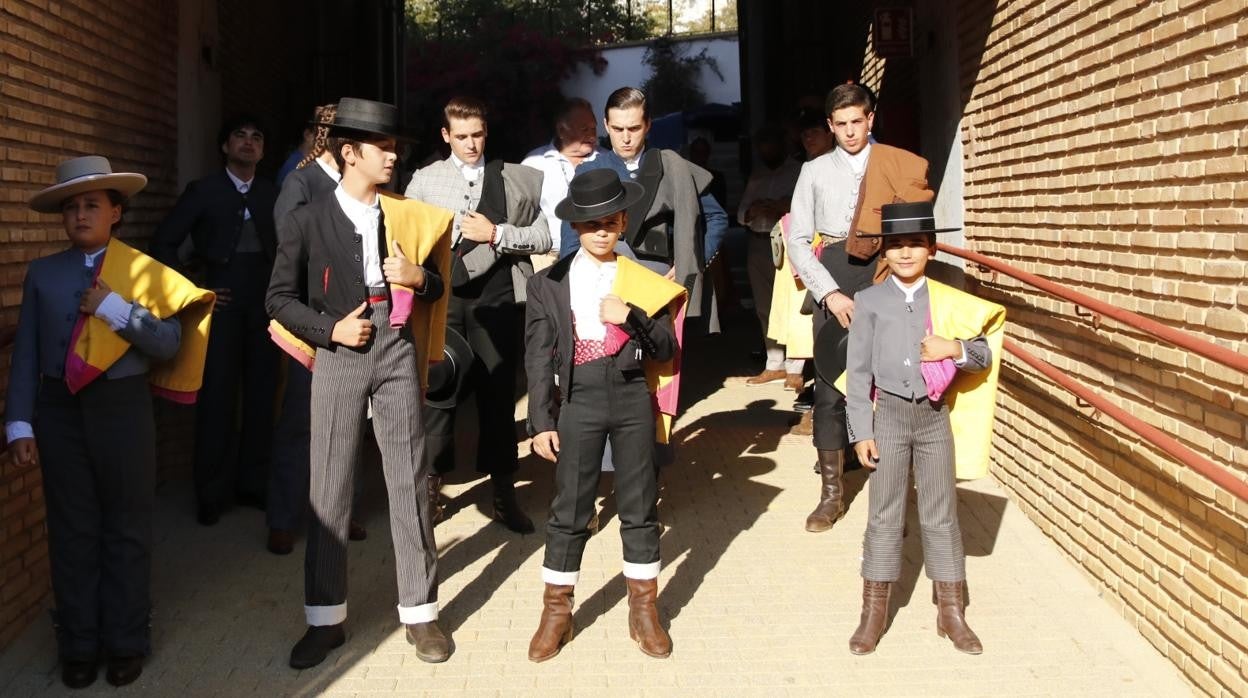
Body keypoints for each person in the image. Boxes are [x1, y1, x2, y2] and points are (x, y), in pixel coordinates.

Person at [8, 156, 214, 688]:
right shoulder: (43, 273)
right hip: (59, 411)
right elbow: (26, 353)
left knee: (126, 526)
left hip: (122, 407)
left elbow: (169, 343)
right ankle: (78, 642)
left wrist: (114, 308)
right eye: (71, 206)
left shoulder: (141, 271)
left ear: (115, 212)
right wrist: (19, 425)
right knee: (73, 529)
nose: (80, 215)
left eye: (92, 205)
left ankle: (126, 639)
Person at [266, 97, 455, 667]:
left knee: (409, 478)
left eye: (395, 146)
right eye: (384, 147)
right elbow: (276, 300)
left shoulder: (404, 214)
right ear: (350, 153)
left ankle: (421, 615)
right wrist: (328, 331)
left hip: (396, 347)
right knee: (328, 485)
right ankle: (325, 621)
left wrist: (420, 277)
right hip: (340, 350)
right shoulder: (305, 217)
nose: (393, 155)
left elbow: (439, 288)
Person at [525, 169, 682, 662]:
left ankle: (644, 612)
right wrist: (540, 421)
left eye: (609, 223)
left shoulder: (639, 278)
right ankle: (557, 614)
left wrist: (630, 316)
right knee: (569, 507)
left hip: (633, 394)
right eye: (590, 223)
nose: (600, 232)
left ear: (623, 222)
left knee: (639, 506)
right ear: (574, 226)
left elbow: (666, 349)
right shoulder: (547, 282)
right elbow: (537, 355)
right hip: (580, 398)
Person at [842, 201, 1005, 655]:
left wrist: (953, 347)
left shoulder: (950, 298)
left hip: (934, 420)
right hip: (890, 416)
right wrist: (861, 430)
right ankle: (873, 610)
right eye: (896, 245)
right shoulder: (870, 301)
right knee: (883, 513)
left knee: (941, 514)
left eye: (916, 244)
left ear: (932, 249)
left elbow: (983, 355)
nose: (906, 253)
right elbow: (857, 375)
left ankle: (950, 611)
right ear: (885, 253)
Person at [787, 83, 934, 533]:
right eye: (841, 124)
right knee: (833, 386)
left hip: (888, 270)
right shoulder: (813, 171)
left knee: (897, 382)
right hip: (835, 271)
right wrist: (829, 293)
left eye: (858, 122)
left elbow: (916, 229)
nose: (850, 131)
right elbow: (797, 239)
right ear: (830, 127)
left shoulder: (897, 162)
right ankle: (832, 493)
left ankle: (893, 497)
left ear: (871, 119)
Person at [403, 96, 550, 533]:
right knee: (438, 395)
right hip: (442, 298)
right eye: (461, 136)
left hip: (498, 295)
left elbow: (544, 236)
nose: (471, 144)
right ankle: (430, 495)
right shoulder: (424, 181)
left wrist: (497, 233)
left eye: (478, 135)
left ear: (487, 132)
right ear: (445, 135)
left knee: (498, 396)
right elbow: (403, 240)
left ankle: (504, 495)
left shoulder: (516, 179)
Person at [150, 113, 280, 527]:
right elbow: (164, 243)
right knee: (217, 400)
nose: (248, 142)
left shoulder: (271, 193)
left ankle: (253, 485)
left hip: (264, 305)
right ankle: (211, 493)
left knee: (261, 397)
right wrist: (194, 289)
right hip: (219, 304)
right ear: (224, 146)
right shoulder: (203, 191)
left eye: (256, 136)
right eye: (239, 136)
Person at [266, 102, 368, 554]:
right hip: (312, 320)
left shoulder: (366, 186)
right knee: (300, 422)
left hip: (358, 319)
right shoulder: (301, 182)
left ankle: (340, 515)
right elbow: (289, 251)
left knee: (348, 422)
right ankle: (283, 518)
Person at [562, 86, 728, 333]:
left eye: (634, 128)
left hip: (661, 283)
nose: (626, 138)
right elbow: (571, 239)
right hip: (605, 283)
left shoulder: (673, 166)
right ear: (606, 126)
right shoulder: (589, 172)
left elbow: (716, 217)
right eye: (618, 129)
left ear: (648, 125)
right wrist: (572, 292)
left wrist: (690, 262)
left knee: (663, 366)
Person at [737, 124, 802, 389]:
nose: (766, 152)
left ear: (782, 144)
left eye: (770, 146)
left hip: (787, 244)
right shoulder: (757, 174)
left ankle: (795, 367)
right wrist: (753, 209)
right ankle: (774, 363)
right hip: (758, 242)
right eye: (762, 148)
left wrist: (778, 206)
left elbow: (800, 207)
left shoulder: (797, 171)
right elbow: (741, 213)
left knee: (792, 304)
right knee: (764, 305)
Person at [521, 97, 607, 271]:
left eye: (593, 127)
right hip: (547, 259)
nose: (592, 134)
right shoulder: (535, 163)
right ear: (561, 130)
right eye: (584, 129)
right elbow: (522, 215)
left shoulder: (606, 160)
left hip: (598, 259)